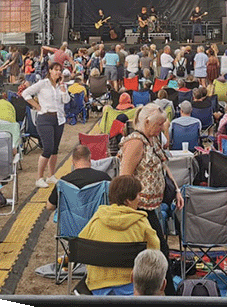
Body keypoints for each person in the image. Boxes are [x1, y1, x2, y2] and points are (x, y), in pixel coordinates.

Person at [118, 104, 183, 295]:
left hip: (152, 206)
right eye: (160, 124)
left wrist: (176, 189)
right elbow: (124, 178)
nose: (162, 128)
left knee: (158, 249)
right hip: (139, 210)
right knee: (160, 250)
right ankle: (168, 294)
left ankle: (162, 291)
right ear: (147, 122)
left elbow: (164, 164)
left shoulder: (152, 139)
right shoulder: (135, 142)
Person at [77, 174, 160, 294]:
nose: (140, 198)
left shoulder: (97, 218)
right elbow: (155, 251)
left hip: (97, 285)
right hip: (130, 285)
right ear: (128, 200)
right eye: (138, 195)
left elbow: (81, 244)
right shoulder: (141, 222)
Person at [22, 61, 71, 189]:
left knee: (55, 149)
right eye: (55, 70)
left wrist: (63, 89)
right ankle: (39, 177)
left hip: (59, 119)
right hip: (45, 118)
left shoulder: (61, 85)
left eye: (59, 70)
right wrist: (37, 106)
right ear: (50, 71)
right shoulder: (43, 84)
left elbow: (66, 100)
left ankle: (51, 175)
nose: (58, 72)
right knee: (48, 148)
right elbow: (25, 93)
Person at [45, 145, 112, 210]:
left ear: (73, 162)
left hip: (71, 221)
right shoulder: (104, 178)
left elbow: (50, 206)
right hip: (97, 220)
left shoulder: (63, 182)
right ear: (89, 158)